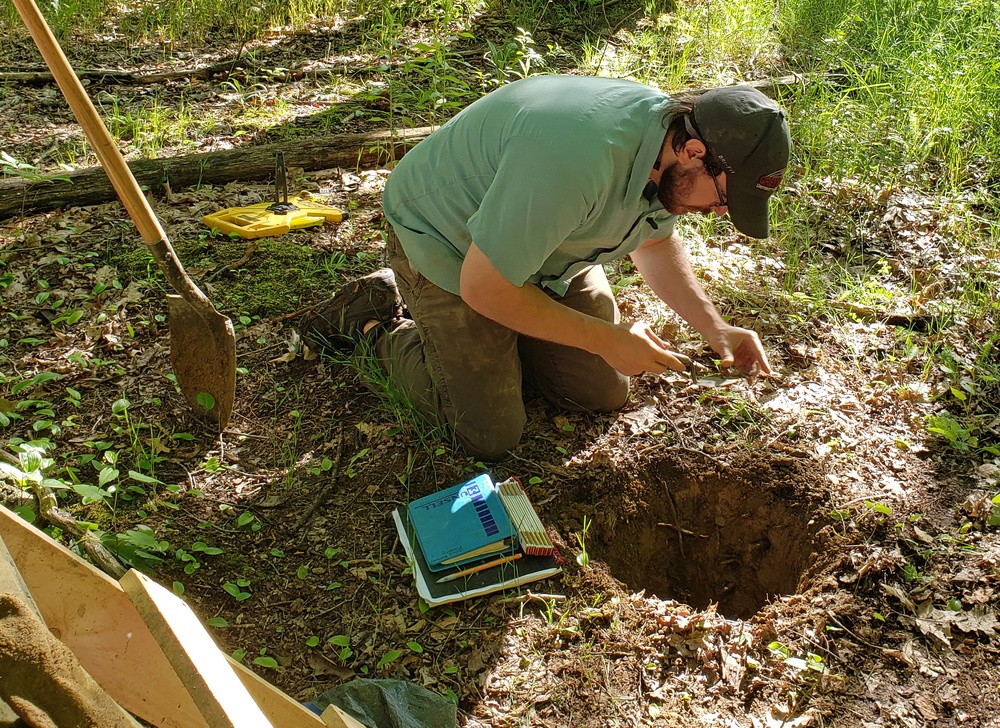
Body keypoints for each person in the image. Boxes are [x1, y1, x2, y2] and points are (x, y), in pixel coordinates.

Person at [302, 74, 790, 460]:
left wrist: (714, 327)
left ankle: (511, 342)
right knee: (488, 431)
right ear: (693, 153)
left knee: (599, 391)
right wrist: (603, 338)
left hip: (546, 249)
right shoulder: (578, 162)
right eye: (726, 197)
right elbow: (484, 286)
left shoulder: (672, 157)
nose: (723, 212)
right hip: (449, 241)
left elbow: (656, 243)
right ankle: (373, 321)